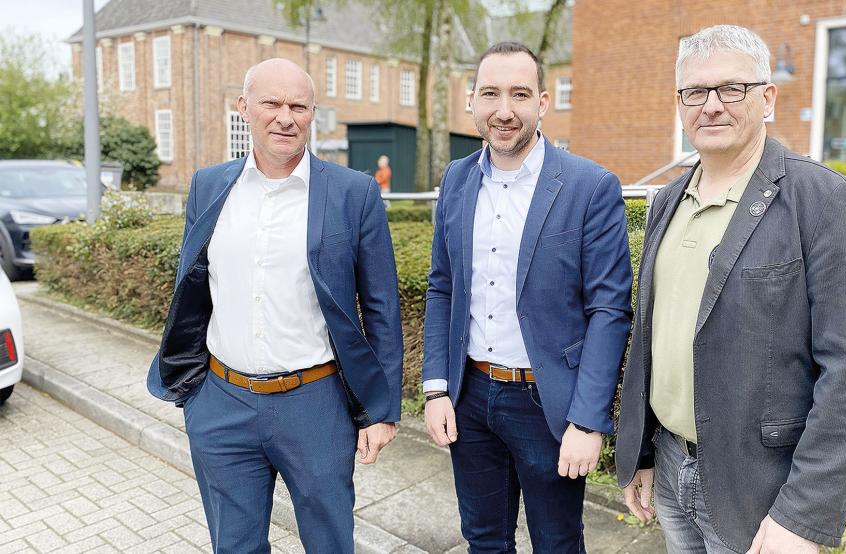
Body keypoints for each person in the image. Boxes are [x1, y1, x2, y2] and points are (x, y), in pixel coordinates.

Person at [615, 25, 846, 554]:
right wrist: (642, 452)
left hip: (762, 488)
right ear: (680, 102)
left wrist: (804, 515)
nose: (711, 105)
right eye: (696, 92)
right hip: (672, 468)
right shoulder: (666, 202)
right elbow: (653, 338)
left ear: (768, 98)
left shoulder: (823, 200)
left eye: (731, 89)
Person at [146, 58, 403, 553]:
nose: (285, 117)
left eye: (298, 106)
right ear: (244, 107)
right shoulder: (207, 186)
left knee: (330, 543)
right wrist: (195, 398)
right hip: (221, 403)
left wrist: (382, 410)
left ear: (312, 114)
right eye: (271, 103)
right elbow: (194, 288)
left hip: (315, 405)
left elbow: (381, 309)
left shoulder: (354, 193)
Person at [421, 41, 633, 552]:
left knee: (557, 543)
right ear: (471, 100)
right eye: (490, 94)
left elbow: (609, 308)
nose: (504, 110)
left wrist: (587, 419)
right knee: (483, 540)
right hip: (469, 398)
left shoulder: (590, 186)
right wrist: (435, 388)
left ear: (542, 102)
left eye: (519, 94)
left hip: (547, 405)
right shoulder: (455, 180)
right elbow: (442, 285)